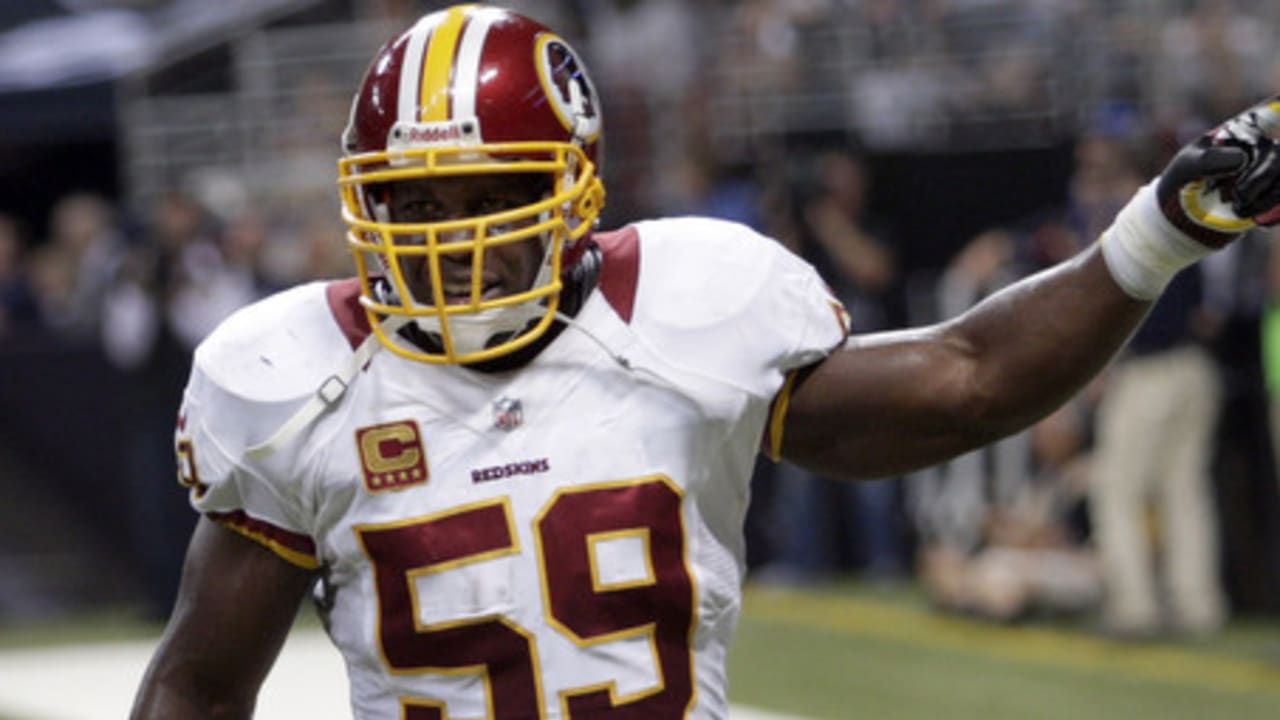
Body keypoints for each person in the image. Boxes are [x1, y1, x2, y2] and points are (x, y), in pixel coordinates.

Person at [130, 5, 1280, 718]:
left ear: (575, 192)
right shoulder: (290, 381)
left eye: (491, 200)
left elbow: (964, 379)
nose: (450, 235)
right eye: (414, 202)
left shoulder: (680, 307)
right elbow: (197, 687)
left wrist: (1158, 230)